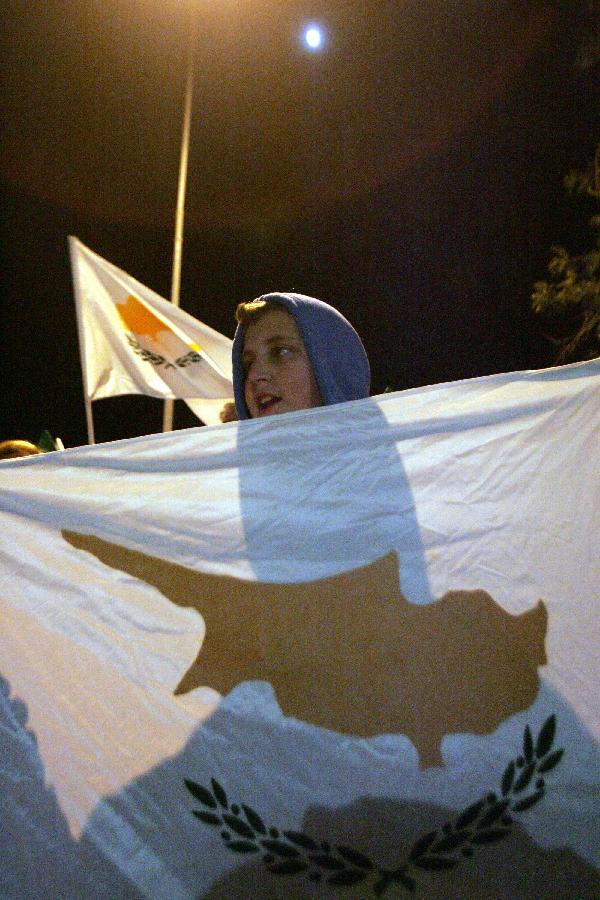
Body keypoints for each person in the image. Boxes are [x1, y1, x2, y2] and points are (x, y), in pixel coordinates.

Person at [231, 292, 370, 420]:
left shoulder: (381, 447)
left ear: (334, 367)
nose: (254, 375)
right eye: (248, 364)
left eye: (280, 351)